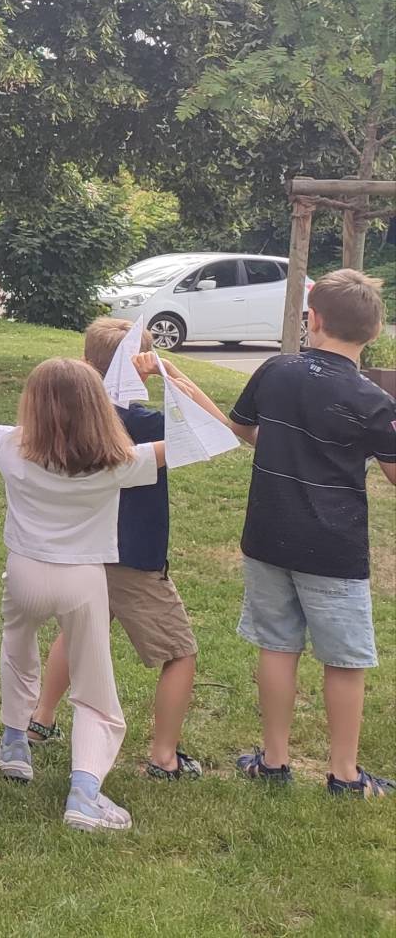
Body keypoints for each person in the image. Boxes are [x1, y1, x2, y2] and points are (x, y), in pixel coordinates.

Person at [0, 358, 165, 833]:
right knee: (94, 685)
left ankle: (14, 744)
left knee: (16, 652)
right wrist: (167, 375)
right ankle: (84, 792)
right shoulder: (121, 461)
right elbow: (196, 436)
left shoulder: (10, 445)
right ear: (98, 406)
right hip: (82, 578)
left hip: (24, 571)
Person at [230, 269, 396, 798]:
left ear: (314, 319)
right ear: (374, 332)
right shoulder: (372, 399)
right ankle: (345, 775)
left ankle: (274, 761)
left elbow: (243, 425)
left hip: (267, 535)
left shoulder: (276, 370)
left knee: (277, 647)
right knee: (344, 659)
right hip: (334, 547)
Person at [26, 318, 212, 780]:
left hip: (83, 551)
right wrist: (169, 373)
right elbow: (210, 426)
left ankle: (40, 720)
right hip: (134, 559)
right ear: (140, 368)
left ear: (86, 364)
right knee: (180, 653)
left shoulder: (66, 422)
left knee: (77, 634)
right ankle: (164, 757)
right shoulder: (146, 425)